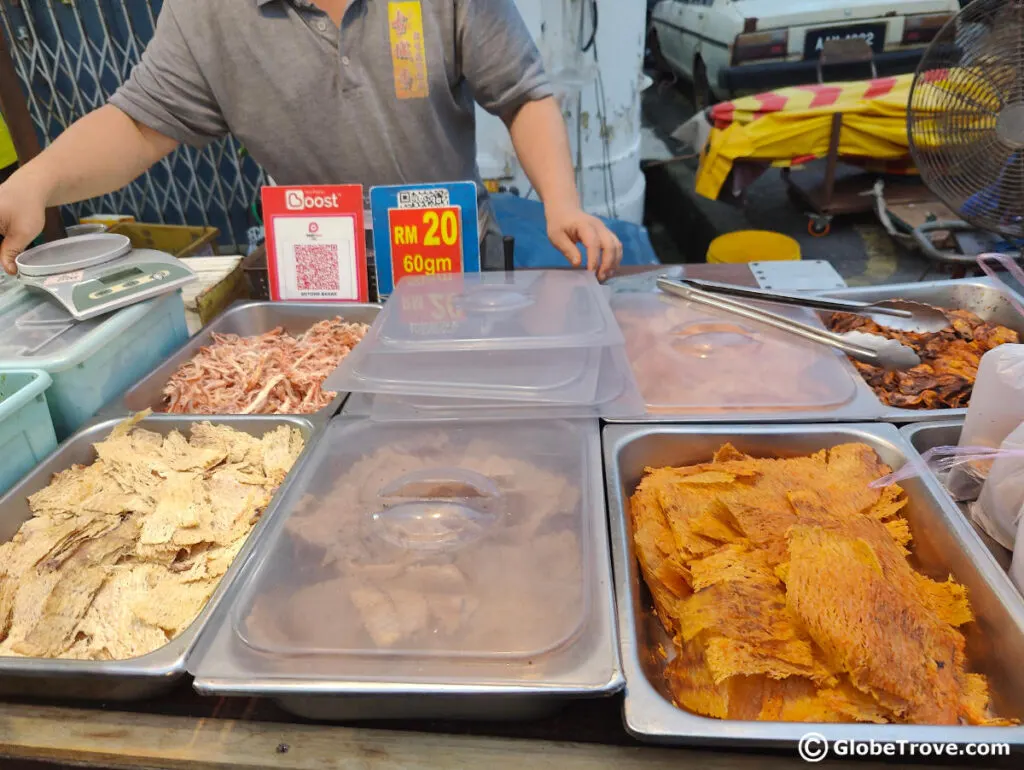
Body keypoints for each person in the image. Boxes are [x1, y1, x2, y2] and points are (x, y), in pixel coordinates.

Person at [0, 0, 623, 279]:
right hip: (320, 278)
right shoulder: (204, 11)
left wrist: (561, 202)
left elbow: (521, 93)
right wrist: (36, 180)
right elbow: (137, 124)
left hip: (450, 260)